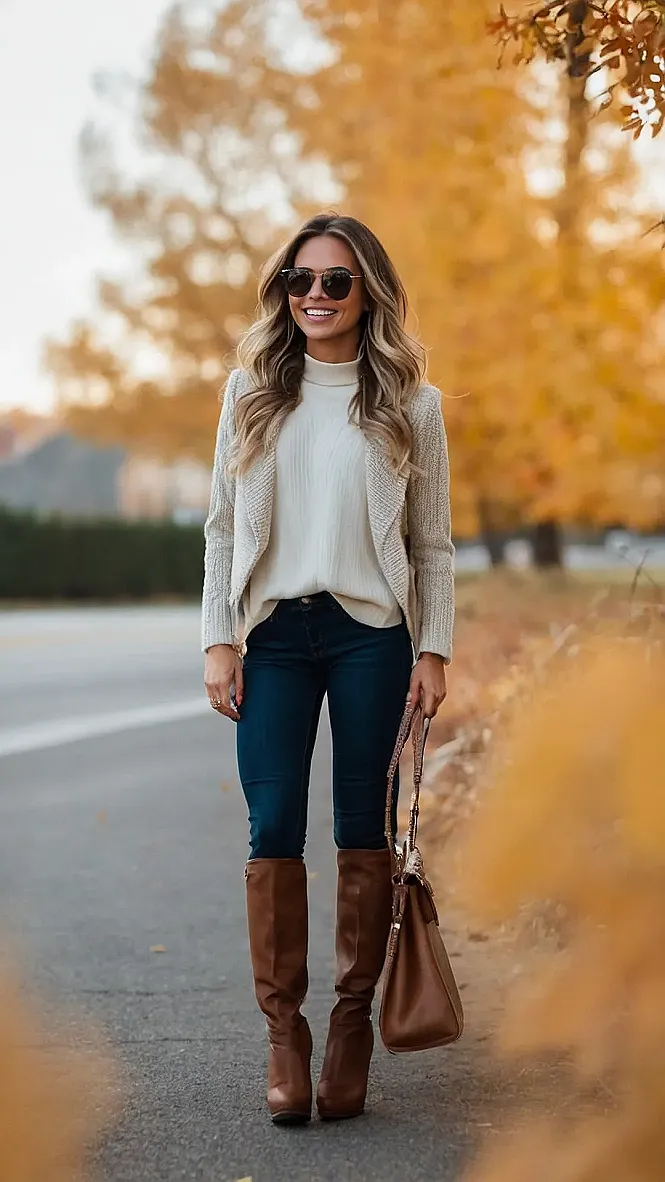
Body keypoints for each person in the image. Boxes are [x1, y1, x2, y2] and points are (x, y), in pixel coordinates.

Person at [201, 213, 454, 1125]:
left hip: (369, 637)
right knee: (271, 828)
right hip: (271, 635)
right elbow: (223, 528)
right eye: (298, 281)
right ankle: (285, 1036)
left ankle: (350, 1030)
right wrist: (216, 638)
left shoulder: (410, 406)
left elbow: (432, 545)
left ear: (367, 293)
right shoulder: (251, 393)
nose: (313, 296)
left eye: (335, 282)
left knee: (360, 830)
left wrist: (432, 648)